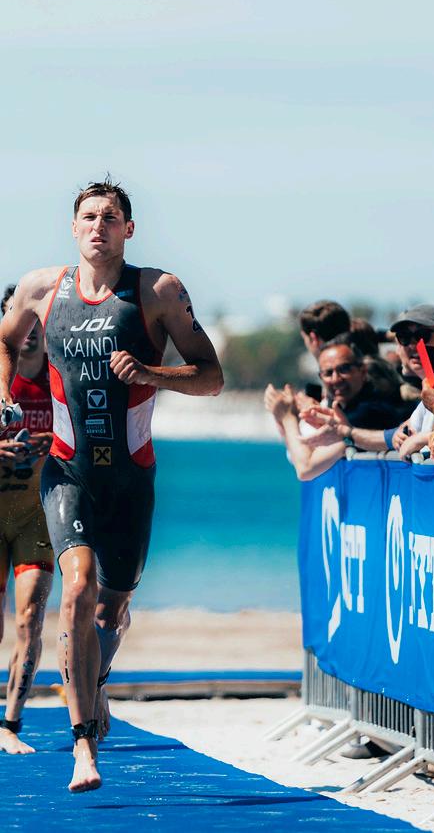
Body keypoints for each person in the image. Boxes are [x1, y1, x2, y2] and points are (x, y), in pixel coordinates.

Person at [0, 179, 223, 792]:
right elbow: (4, 338)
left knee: (111, 609)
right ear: (73, 228)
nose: (98, 226)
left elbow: (212, 378)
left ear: (128, 229)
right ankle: (82, 746)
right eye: (89, 217)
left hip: (131, 478)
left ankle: (93, 680)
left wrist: (152, 372)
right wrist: (3, 396)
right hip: (67, 471)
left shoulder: (158, 291)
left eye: (110, 217)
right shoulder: (41, 289)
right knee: (76, 587)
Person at [299, 304, 434, 458]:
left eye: (422, 336)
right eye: (404, 338)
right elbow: (396, 438)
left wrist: (422, 438)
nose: (413, 345)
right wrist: (345, 431)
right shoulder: (431, 388)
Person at [0, 286, 54, 754]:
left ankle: (11, 723)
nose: (29, 330)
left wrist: (55, 447)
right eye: (18, 318)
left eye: (35, 320)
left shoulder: (60, 379)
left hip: (37, 517)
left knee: (31, 620)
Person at [264, 338, 401, 480]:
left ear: (362, 371)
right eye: (328, 373)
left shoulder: (370, 411)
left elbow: (305, 468)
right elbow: (298, 452)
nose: (336, 379)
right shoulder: (345, 408)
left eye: (344, 369)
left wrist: (288, 417)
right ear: (321, 377)